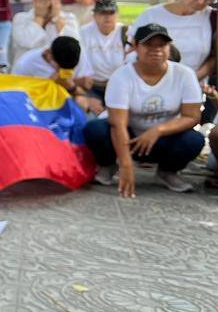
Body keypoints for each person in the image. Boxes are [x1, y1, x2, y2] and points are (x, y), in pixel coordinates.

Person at [84, 24, 205, 196]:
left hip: (164, 139)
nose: (156, 50)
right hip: (130, 137)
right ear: (135, 46)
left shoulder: (185, 74)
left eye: (161, 45)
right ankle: (108, 165)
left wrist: (158, 130)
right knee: (94, 129)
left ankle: (167, 172)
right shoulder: (121, 76)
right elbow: (118, 125)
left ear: (169, 47)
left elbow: (192, 117)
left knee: (194, 139)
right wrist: (126, 166)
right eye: (149, 45)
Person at [132, 0, 218, 83]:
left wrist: (191, 79)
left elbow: (216, 55)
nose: (201, 1)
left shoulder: (212, 17)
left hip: (194, 87)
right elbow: (132, 51)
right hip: (152, 84)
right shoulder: (151, 15)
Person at [12, 36, 94, 111]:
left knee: (83, 103)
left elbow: (87, 84)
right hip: (36, 104)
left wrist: (67, 84)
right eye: (60, 68)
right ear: (48, 53)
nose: (63, 72)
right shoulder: (26, 64)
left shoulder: (77, 52)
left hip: (70, 99)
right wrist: (71, 85)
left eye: (69, 70)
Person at [10, 0, 80, 64]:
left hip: (55, 71)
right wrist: (39, 17)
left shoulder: (69, 18)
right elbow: (26, 42)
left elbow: (72, 48)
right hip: (27, 71)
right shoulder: (21, 18)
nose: (49, 1)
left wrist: (57, 19)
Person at [77, 0, 128, 112]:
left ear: (117, 16)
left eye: (111, 13)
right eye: (103, 13)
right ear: (94, 16)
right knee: (90, 117)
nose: (107, 18)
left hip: (119, 87)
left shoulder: (126, 33)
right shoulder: (83, 33)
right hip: (92, 87)